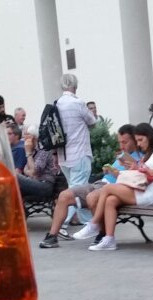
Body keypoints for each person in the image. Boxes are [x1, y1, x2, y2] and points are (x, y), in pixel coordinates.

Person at [38, 123, 140, 248]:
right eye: (120, 142)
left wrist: (120, 172)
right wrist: (109, 170)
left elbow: (135, 180)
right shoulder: (123, 155)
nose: (122, 146)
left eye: (125, 142)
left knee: (92, 197)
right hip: (100, 183)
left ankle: (101, 233)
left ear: (134, 140)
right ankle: (52, 236)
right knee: (64, 196)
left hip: (114, 189)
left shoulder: (139, 158)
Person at [72, 123, 153, 251]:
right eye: (137, 140)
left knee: (107, 189)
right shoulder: (147, 154)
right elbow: (142, 174)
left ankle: (94, 224)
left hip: (149, 194)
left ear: (149, 136)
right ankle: (109, 239)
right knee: (110, 200)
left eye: (141, 140)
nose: (139, 144)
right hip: (140, 190)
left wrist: (143, 169)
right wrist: (135, 168)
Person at [55, 74, 97, 221]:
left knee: (75, 189)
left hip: (63, 156)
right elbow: (93, 121)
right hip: (79, 154)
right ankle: (62, 224)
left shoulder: (57, 104)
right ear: (75, 85)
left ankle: (87, 223)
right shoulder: (78, 103)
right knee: (76, 192)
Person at [17, 125, 60, 202]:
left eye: (27, 135)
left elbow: (34, 171)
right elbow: (25, 170)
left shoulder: (44, 150)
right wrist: (30, 171)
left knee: (15, 176)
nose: (24, 139)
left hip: (44, 185)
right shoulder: (33, 150)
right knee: (12, 188)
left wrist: (28, 153)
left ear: (34, 137)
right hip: (34, 181)